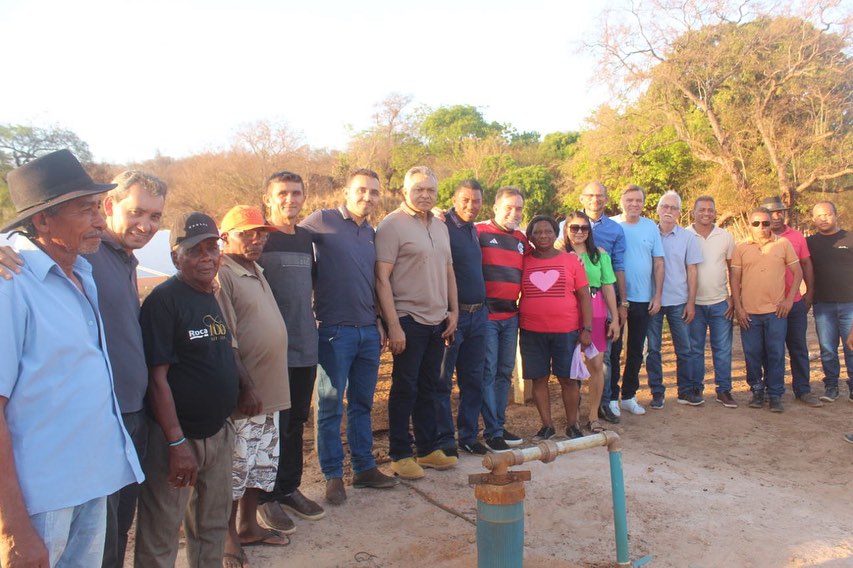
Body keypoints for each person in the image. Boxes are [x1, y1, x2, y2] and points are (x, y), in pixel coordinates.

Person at [0, 168, 167, 568]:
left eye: (98, 207)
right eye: (86, 210)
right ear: (42, 220)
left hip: (94, 483)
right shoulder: (11, 282)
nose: (99, 219)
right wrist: (13, 527)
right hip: (43, 500)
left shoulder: (84, 274)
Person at [135, 212, 239, 568]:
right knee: (161, 533)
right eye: (196, 250)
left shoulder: (210, 292)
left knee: (211, 525)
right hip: (178, 441)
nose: (207, 257)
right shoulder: (164, 301)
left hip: (217, 433)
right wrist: (176, 442)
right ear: (176, 257)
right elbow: (156, 378)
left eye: (213, 247)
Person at [301, 169, 397, 503]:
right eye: (361, 190)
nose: (367, 197)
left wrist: (381, 321)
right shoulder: (322, 220)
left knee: (361, 404)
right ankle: (332, 475)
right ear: (346, 191)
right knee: (329, 405)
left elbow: (373, 280)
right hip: (332, 330)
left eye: (373, 192)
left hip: (368, 331)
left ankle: (364, 468)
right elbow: (288, 240)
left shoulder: (372, 231)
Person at [216, 206, 292, 566]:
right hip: (247, 395)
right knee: (235, 467)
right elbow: (227, 339)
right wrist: (245, 387)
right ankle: (228, 536)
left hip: (270, 391)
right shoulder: (223, 273)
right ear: (226, 235)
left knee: (260, 464)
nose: (256, 239)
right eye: (246, 233)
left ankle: (248, 526)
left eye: (261, 233)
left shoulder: (256, 270)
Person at [376, 166, 459, 479]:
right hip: (408, 318)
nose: (425, 195)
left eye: (430, 190)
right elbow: (381, 278)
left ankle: (426, 450)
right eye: (418, 189)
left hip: (438, 320)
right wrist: (393, 324)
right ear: (404, 192)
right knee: (404, 387)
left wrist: (453, 311)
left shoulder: (440, 226)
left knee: (429, 386)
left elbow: (449, 271)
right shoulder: (390, 226)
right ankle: (399, 453)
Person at [257, 171, 325, 528]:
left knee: (297, 421)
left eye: (296, 193)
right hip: (270, 352)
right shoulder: (259, 240)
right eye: (282, 193)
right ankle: (264, 497)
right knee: (272, 424)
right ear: (269, 198)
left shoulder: (307, 240)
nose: (290, 199)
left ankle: (288, 487)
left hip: (304, 346)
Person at [558, 181, 626, 424]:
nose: (579, 232)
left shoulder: (600, 255)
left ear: (589, 231)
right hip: (568, 314)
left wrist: (615, 319)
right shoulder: (560, 256)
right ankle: (572, 418)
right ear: (566, 230)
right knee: (570, 368)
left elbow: (608, 286)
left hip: (596, 313)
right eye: (574, 228)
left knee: (597, 365)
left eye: (584, 229)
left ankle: (594, 415)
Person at [520, 215, 593, 439]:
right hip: (532, 330)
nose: (543, 236)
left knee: (568, 379)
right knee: (539, 379)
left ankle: (573, 425)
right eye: (537, 232)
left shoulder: (571, 261)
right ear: (530, 237)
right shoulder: (523, 260)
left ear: (556, 234)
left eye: (548, 231)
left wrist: (587, 329)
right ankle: (547, 425)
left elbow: (584, 296)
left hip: (566, 331)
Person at [731, 208, 802, 413]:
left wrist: (789, 300)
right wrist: (739, 307)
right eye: (756, 224)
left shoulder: (783, 244)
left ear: (771, 224)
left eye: (765, 223)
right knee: (752, 353)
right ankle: (757, 390)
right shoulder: (741, 247)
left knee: (776, 353)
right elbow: (735, 279)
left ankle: (775, 394)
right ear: (749, 225)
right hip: (750, 313)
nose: (761, 227)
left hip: (776, 312)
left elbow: (797, 273)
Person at [437, 180, 489, 455]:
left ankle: (468, 435)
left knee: (473, 380)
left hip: (478, 315)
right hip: (452, 317)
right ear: (454, 200)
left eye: (477, 201)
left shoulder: (472, 229)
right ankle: (445, 440)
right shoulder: (441, 224)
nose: (472, 206)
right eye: (466, 200)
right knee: (443, 382)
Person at [477, 187, 528, 449]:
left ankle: (498, 424)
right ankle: (492, 432)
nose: (514, 212)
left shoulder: (521, 239)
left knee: (504, 373)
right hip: (486, 316)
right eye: (508, 207)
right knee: (488, 371)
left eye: (518, 208)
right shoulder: (480, 232)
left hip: (511, 316)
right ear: (495, 208)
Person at [762, 196, 822, 407]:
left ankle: (803, 390)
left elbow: (806, 265)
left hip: (795, 302)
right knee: (772, 348)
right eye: (772, 213)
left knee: (797, 347)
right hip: (770, 304)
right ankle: (772, 391)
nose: (777, 217)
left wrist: (810, 294)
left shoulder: (796, 237)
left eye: (780, 212)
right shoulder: (759, 238)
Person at [646, 191, 704, 408]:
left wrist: (691, 302)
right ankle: (657, 392)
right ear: (658, 209)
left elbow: (692, 271)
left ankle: (685, 391)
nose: (668, 211)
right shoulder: (649, 233)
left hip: (679, 300)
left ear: (680, 213)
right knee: (653, 349)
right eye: (665, 207)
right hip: (652, 300)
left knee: (685, 348)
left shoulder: (688, 237)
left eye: (673, 208)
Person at [612, 185, 664, 416]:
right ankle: (611, 396)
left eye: (638, 200)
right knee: (613, 349)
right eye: (629, 200)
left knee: (635, 349)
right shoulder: (613, 225)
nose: (634, 204)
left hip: (643, 299)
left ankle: (629, 395)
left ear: (644, 203)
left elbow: (659, 262)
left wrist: (658, 294)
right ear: (621, 201)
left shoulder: (651, 226)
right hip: (614, 298)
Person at [687, 196, 738, 408]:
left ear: (715, 212)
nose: (706, 213)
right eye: (702, 209)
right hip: (693, 303)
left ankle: (724, 390)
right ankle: (696, 388)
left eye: (710, 210)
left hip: (720, 302)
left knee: (723, 349)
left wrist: (734, 297)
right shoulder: (685, 235)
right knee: (695, 348)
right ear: (693, 211)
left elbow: (733, 269)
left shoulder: (725, 236)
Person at [807, 201, 853, 403]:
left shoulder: (850, 238)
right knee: (827, 348)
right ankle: (831, 387)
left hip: (850, 304)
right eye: (818, 216)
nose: (823, 219)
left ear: (836, 215)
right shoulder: (810, 243)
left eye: (827, 214)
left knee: (851, 347)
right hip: (823, 305)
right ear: (813, 219)